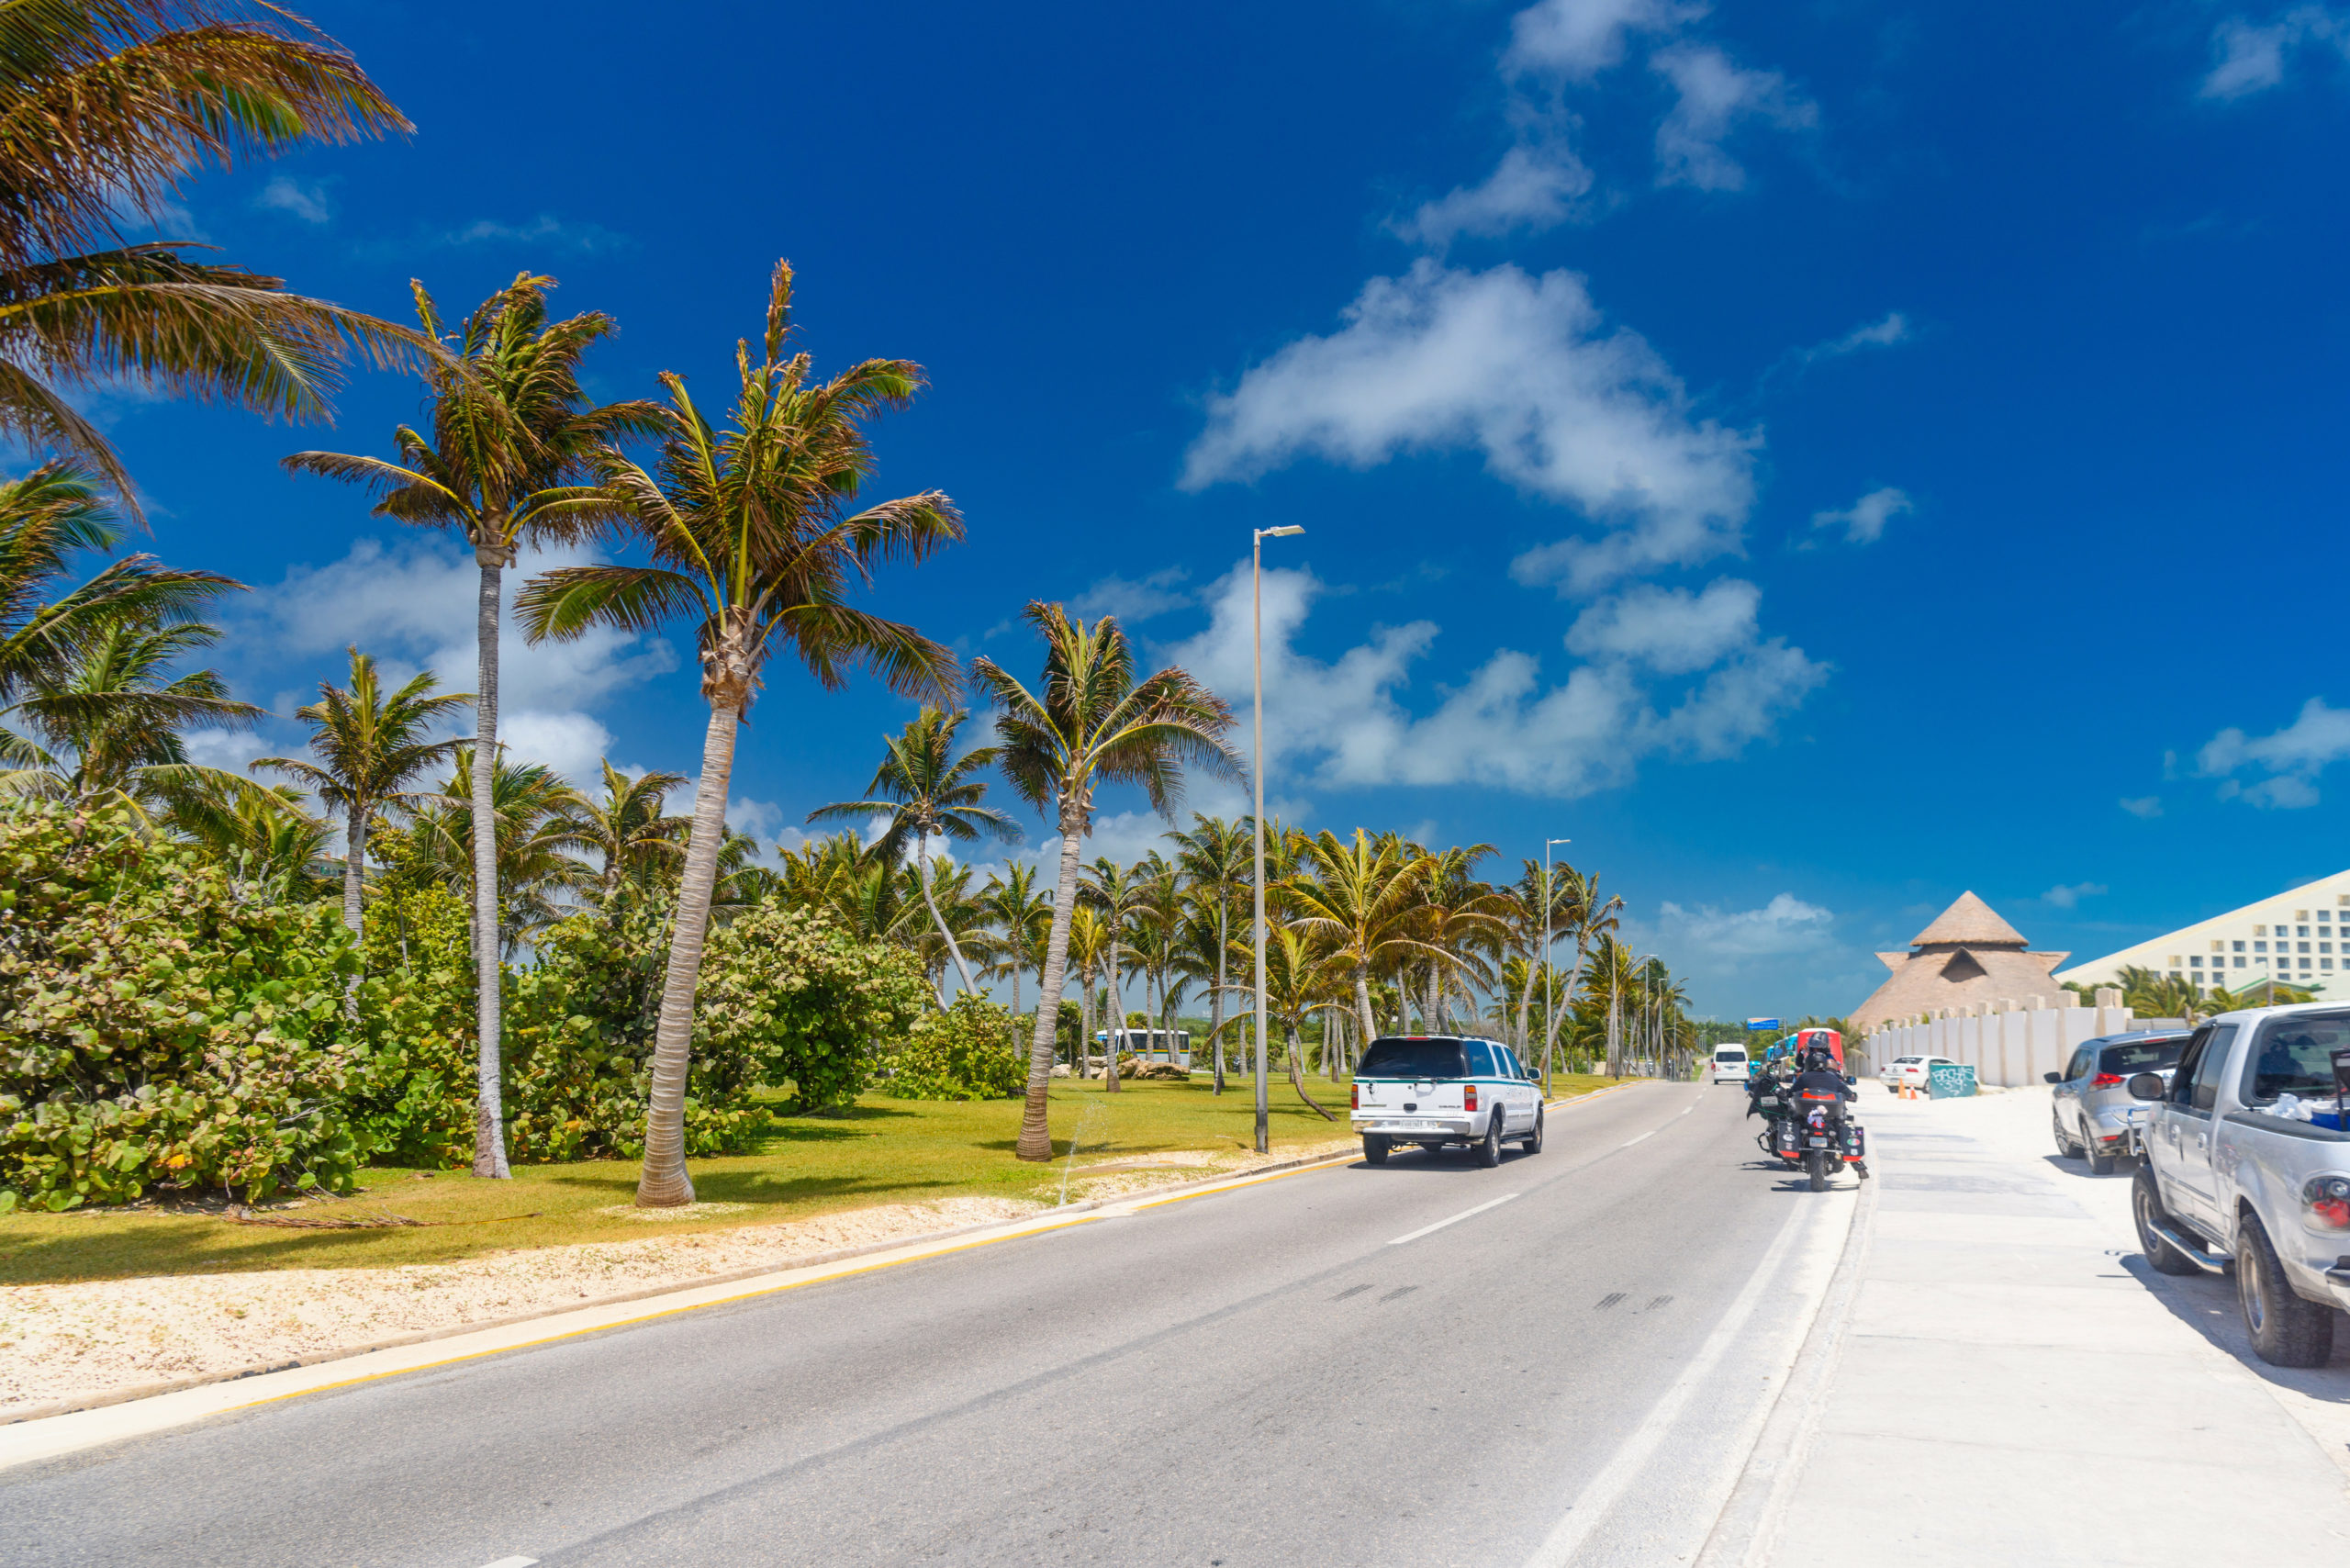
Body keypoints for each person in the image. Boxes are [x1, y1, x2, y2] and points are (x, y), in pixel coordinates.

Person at [1788, 1045, 1869, 1179]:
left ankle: (1792, 1156)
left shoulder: (1804, 1077)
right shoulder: (1833, 1078)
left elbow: (1791, 1092)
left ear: (1808, 1063)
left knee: (1794, 1122)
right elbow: (1850, 1095)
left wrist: (1787, 1093)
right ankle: (1859, 1167)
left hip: (1807, 1119)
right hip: (1830, 1118)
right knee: (1843, 1133)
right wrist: (1852, 1096)